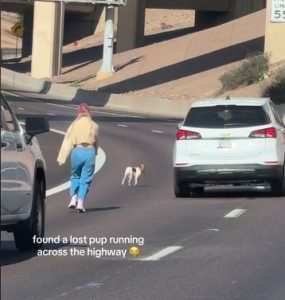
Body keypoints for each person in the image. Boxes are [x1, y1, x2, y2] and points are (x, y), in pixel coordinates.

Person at [57, 103, 99, 213]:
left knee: (75, 176)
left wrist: (62, 158)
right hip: (89, 152)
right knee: (86, 179)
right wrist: (95, 153)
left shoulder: (74, 125)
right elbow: (96, 142)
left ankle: (73, 198)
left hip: (77, 151)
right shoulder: (94, 125)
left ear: (78, 113)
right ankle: (80, 203)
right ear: (89, 112)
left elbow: (68, 141)